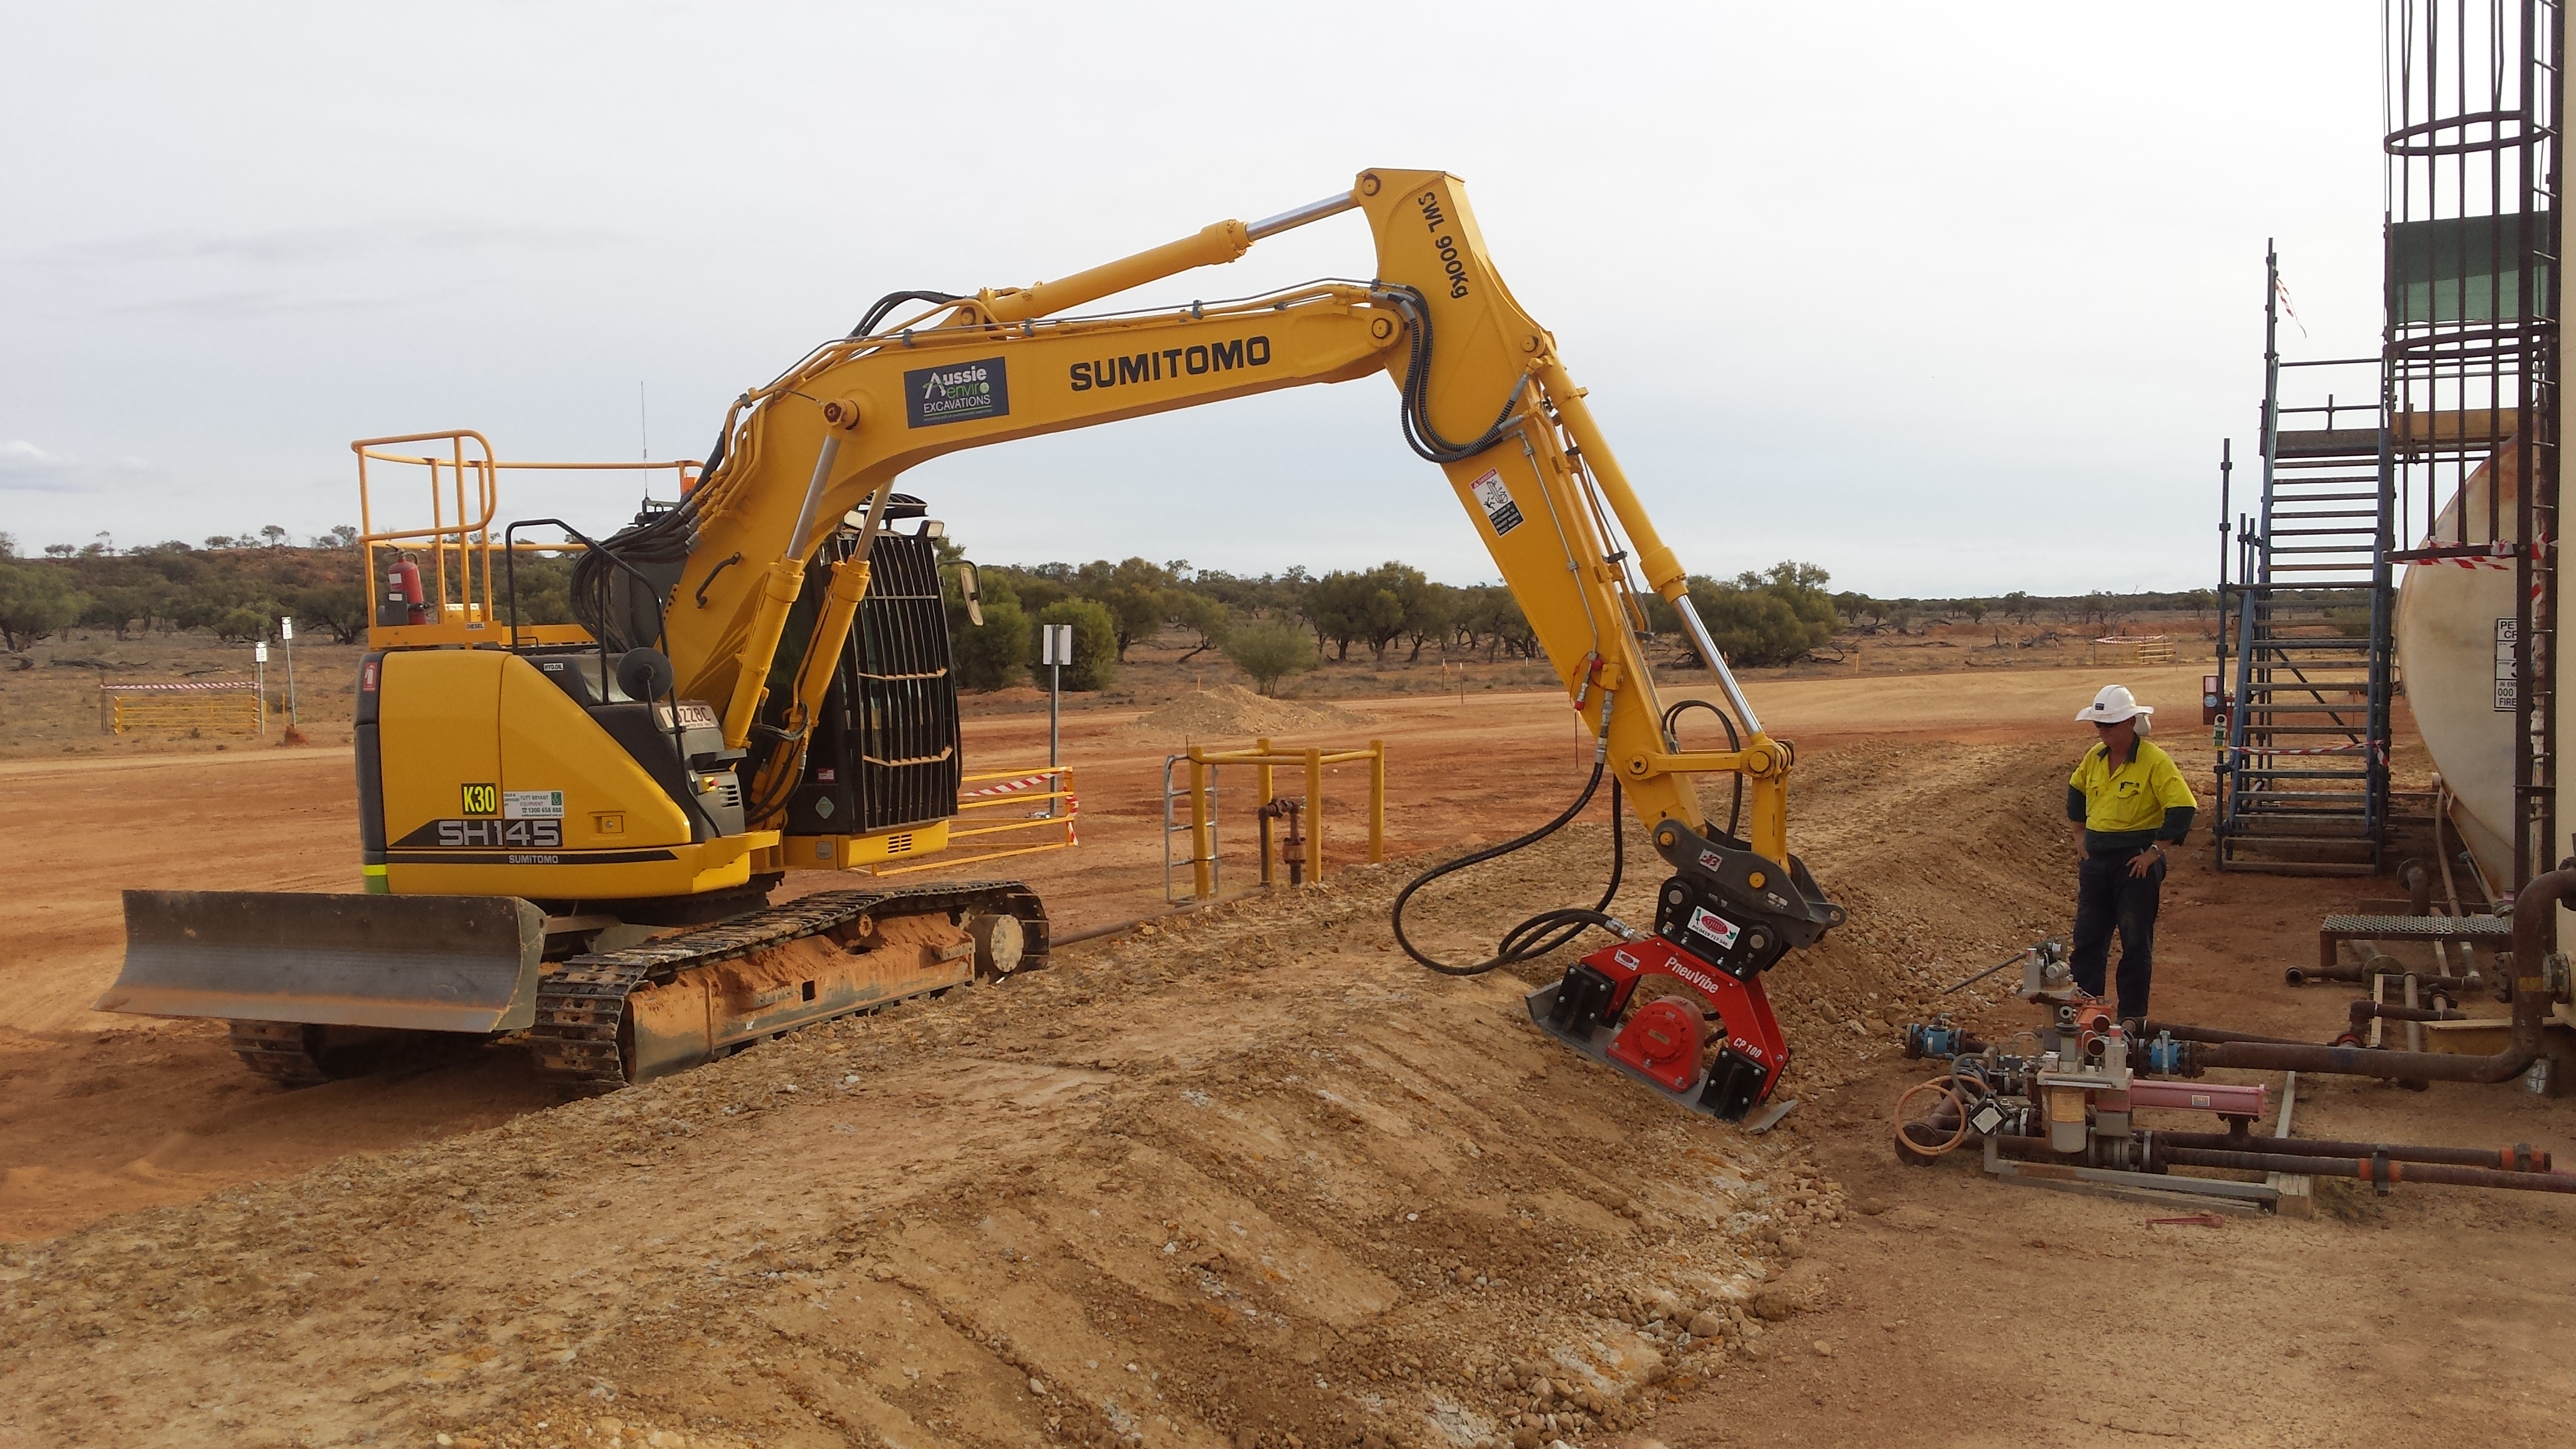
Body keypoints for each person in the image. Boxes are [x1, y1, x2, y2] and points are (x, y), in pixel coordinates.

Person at [2066, 684, 2197, 1020]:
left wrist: (2155, 852)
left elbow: (2183, 806)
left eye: (2109, 725)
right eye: (2099, 725)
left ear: (2130, 722)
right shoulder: (2094, 759)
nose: (2102, 732)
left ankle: (2131, 1021)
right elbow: (2076, 790)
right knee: (2088, 940)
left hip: (2134, 866)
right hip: (2096, 865)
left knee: (2135, 944)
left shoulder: (2154, 761)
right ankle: (2086, 1015)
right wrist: (2079, 833)